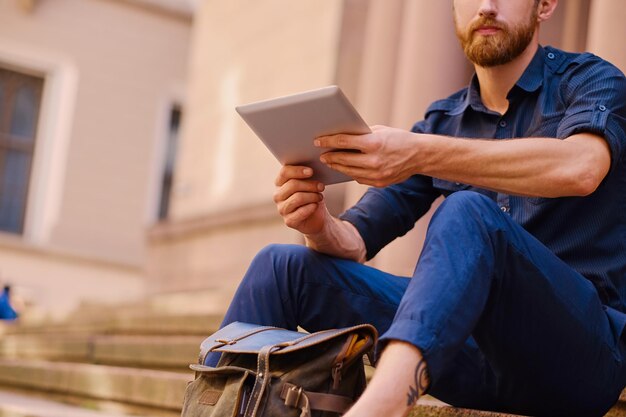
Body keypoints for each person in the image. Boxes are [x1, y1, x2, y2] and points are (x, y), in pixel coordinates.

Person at [207, 0, 626, 416]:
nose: (486, 7)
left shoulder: (590, 80)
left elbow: (582, 166)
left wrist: (421, 152)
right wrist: (317, 225)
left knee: (468, 212)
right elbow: (355, 242)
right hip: (471, 355)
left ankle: (384, 405)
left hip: (577, 358)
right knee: (279, 267)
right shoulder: (444, 120)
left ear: (545, 5)